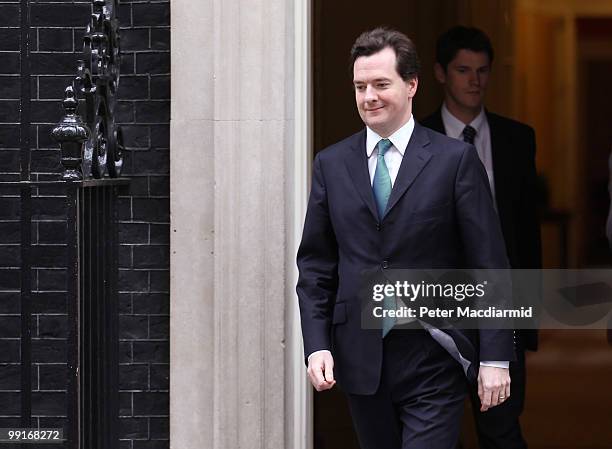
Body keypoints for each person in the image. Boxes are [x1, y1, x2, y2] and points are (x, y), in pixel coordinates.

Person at [297, 27, 515, 449]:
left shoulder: (455, 160)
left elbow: (489, 263)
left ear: (412, 84)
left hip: (435, 352)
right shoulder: (331, 164)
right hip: (361, 356)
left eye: (381, 84)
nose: (368, 97)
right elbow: (317, 265)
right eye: (360, 86)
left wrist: (495, 357)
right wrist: (317, 345)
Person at [422, 25, 542, 449]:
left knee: (503, 428)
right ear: (440, 74)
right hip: (435, 312)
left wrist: (529, 319)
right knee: (437, 428)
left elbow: (526, 235)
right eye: (463, 70)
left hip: (503, 306)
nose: (475, 80)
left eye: (483, 70)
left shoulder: (517, 139)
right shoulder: (415, 139)